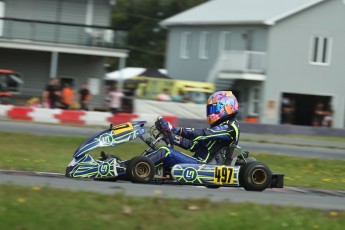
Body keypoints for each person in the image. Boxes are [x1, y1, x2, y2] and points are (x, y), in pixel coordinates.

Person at [146, 91, 240, 170]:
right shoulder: (220, 127)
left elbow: (202, 134)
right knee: (159, 151)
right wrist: (171, 137)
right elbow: (194, 146)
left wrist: (174, 129)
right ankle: (138, 164)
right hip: (198, 162)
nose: (210, 113)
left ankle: (140, 166)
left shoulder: (230, 127)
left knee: (165, 151)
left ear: (225, 107)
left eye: (213, 108)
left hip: (205, 166)